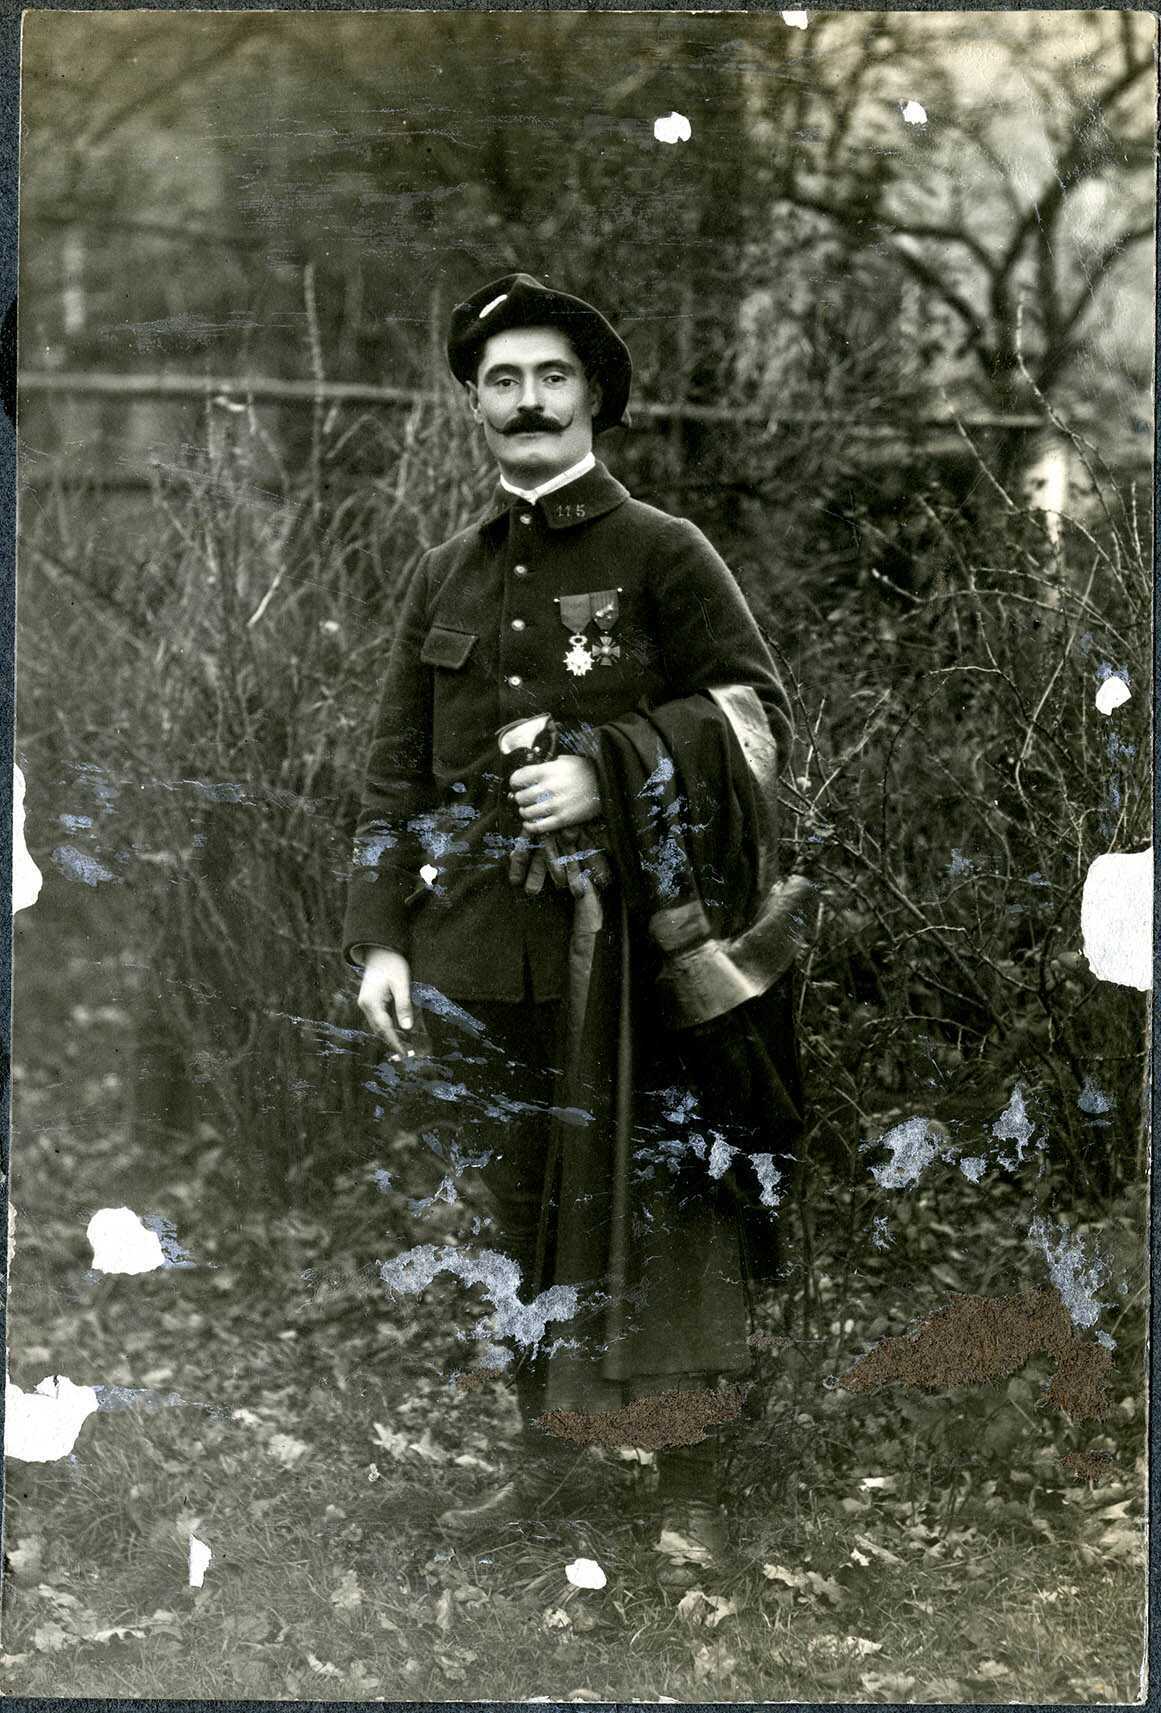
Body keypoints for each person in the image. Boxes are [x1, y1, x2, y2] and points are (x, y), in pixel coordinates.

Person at [343, 273, 803, 1578]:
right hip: (484, 952)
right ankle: (543, 1454)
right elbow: (393, 773)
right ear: (473, 406)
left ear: (593, 394)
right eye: (499, 380)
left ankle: (692, 1483)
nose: (525, 402)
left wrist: (608, 763)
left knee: (671, 1199)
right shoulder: (447, 571)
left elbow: (756, 719)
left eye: (550, 377)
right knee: (518, 1206)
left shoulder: (664, 551)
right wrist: (381, 937)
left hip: (644, 955)